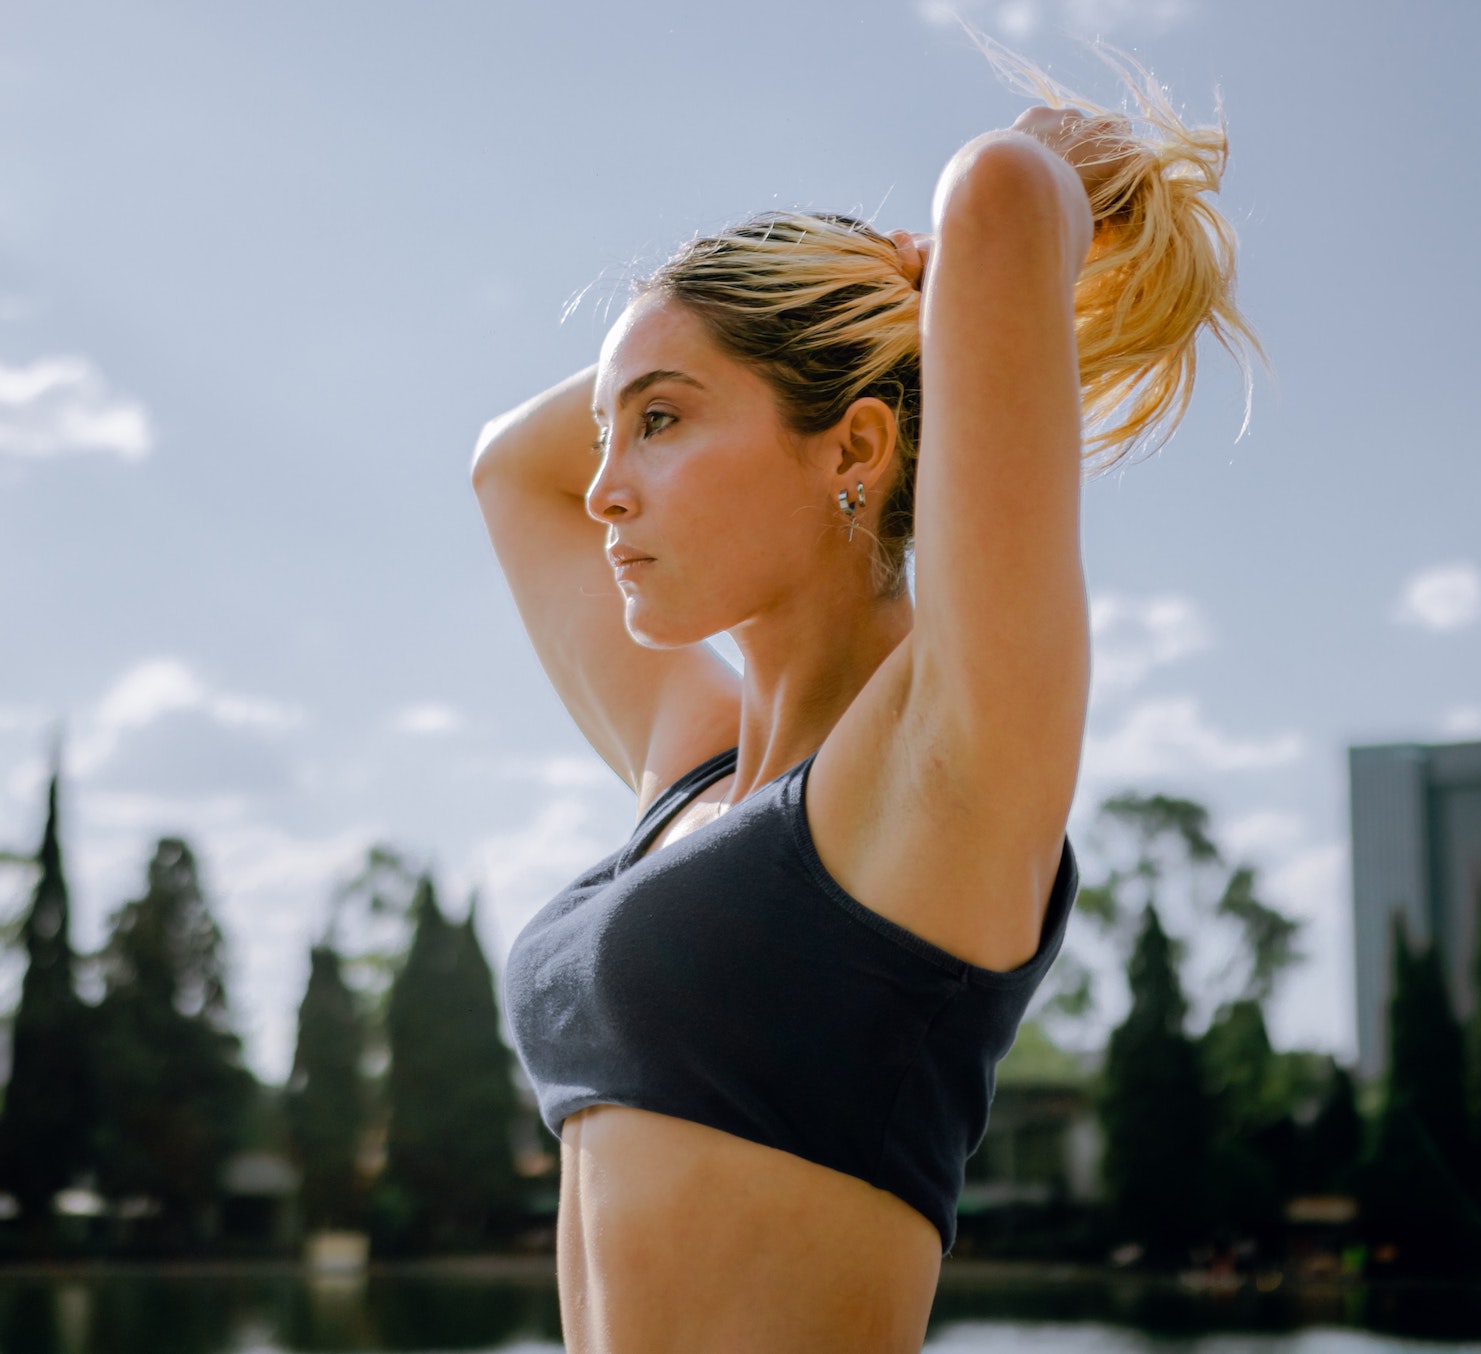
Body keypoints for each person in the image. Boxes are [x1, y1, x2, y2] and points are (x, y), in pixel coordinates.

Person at [473, 38, 1254, 1354]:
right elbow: (510, 470)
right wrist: (748, 331)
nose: (604, 482)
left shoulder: (941, 765)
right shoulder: (697, 768)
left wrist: (1014, 217)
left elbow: (1001, 193)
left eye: (661, 423)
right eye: (609, 431)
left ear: (857, 446)